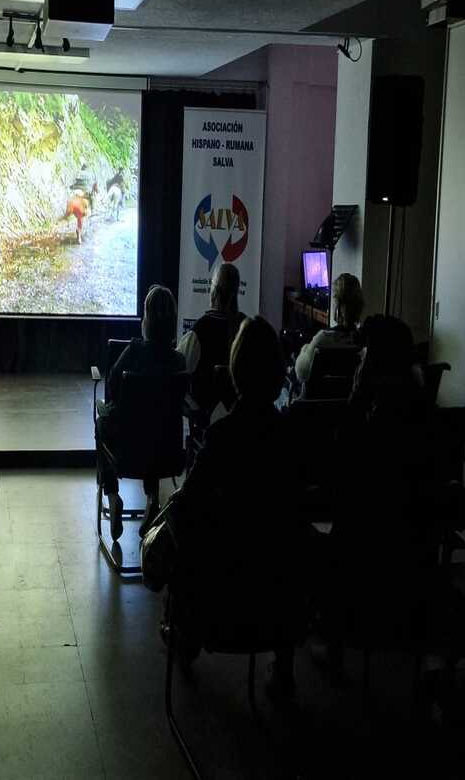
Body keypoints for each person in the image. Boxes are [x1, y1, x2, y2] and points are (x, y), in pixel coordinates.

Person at [168, 316, 309, 691]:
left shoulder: (222, 437)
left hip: (224, 601)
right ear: (278, 373)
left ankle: (186, 636)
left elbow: (188, 508)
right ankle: (284, 667)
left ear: (236, 371)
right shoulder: (291, 438)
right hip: (278, 602)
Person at [97, 284, 186, 538]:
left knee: (103, 423)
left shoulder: (134, 351)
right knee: (155, 424)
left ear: (146, 319)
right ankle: (152, 498)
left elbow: (112, 386)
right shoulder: (179, 361)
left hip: (128, 452)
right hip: (167, 455)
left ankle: (113, 495)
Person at [177, 262, 245, 422]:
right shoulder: (247, 328)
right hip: (243, 421)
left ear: (213, 292)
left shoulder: (199, 330)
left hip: (206, 423)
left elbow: (177, 371)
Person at [293, 272, 364, 389]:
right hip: (348, 399)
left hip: (318, 400)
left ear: (338, 305)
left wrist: (305, 349)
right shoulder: (364, 341)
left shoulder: (323, 338)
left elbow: (301, 373)